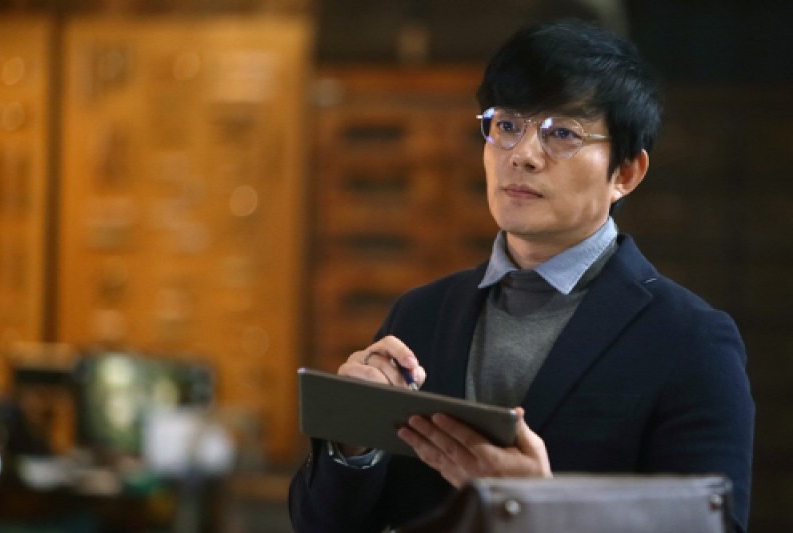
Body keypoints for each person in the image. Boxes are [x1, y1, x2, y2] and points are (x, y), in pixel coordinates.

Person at [289, 18, 754, 533]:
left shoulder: (690, 340)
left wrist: (545, 508)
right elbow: (321, 524)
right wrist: (352, 442)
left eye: (562, 134)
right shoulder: (420, 315)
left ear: (625, 173)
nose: (524, 155)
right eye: (507, 126)